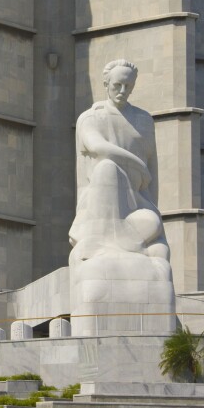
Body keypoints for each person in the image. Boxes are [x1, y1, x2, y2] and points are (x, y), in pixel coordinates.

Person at [69, 59, 169, 263]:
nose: (123, 90)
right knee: (107, 167)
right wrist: (137, 165)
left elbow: (153, 172)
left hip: (135, 203)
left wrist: (152, 206)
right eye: (117, 85)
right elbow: (98, 147)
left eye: (128, 86)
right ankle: (102, 243)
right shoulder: (91, 118)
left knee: (158, 247)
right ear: (106, 85)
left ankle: (124, 245)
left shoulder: (144, 120)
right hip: (100, 207)